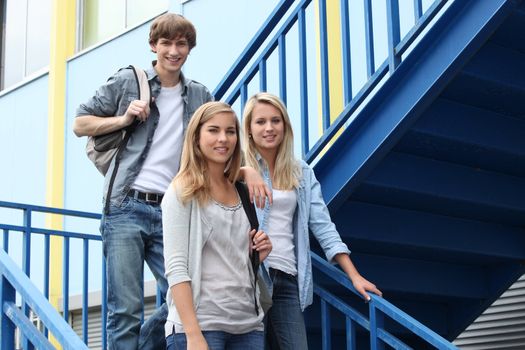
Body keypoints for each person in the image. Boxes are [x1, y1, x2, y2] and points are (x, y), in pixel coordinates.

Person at [74, 13, 269, 350]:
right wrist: (124, 118)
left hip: (174, 205)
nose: (173, 50)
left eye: (181, 44)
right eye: (166, 43)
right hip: (126, 205)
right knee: (126, 309)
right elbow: (80, 123)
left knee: (187, 294)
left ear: (189, 49)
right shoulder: (128, 82)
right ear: (154, 45)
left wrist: (245, 170)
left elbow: (210, 149)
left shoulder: (199, 95)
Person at [242, 92, 383, 349]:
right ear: (249, 129)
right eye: (260, 122)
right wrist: (245, 171)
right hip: (249, 275)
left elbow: (322, 224)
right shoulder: (237, 168)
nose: (269, 128)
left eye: (276, 120)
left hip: (287, 279)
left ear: (285, 126)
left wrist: (354, 275)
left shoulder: (301, 172)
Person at [162, 101, 272, 350]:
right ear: (196, 137)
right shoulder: (182, 191)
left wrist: (257, 255)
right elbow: (176, 267)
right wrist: (193, 334)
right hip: (201, 328)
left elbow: (228, 258)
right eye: (213, 130)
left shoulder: (242, 192)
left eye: (230, 131)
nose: (223, 138)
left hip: (249, 327)